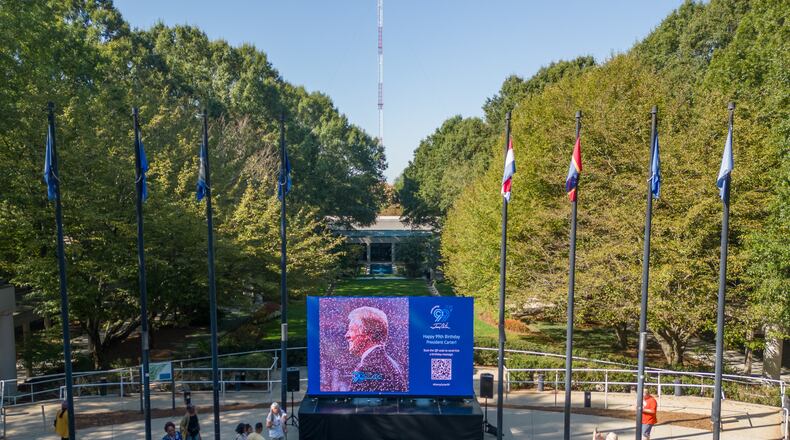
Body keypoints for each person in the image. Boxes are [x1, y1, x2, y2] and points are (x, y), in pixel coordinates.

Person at [344, 306, 406, 392]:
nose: (346, 336)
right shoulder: (390, 363)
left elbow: (356, 401)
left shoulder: (367, 367)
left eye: (351, 330)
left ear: (367, 334)